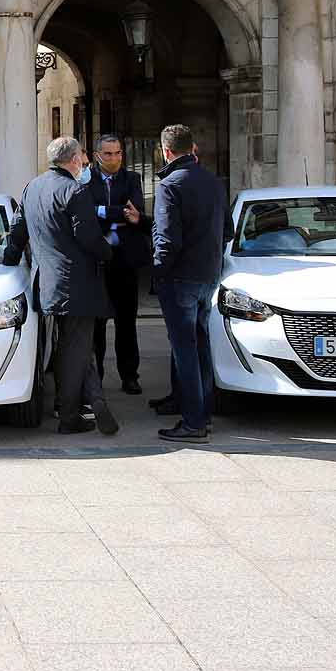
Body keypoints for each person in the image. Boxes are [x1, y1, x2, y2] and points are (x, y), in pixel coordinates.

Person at [2, 136, 119, 436]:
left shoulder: (33, 187)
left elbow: (18, 231)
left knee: (71, 345)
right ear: (75, 159)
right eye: (81, 156)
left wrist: (8, 260)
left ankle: (95, 398)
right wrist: (109, 256)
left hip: (47, 284)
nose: (83, 161)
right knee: (75, 347)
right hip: (76, 284)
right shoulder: (75, 191)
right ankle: (69, 416)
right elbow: (89, 238)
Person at [150, 124, 227, 443]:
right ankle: (199, 409)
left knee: (185, 348)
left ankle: (193, 421)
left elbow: (167, 238)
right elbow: (228, 231)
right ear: (191, 148)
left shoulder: (170, 184)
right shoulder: (213, 182)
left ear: (166, 151)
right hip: (208, 274)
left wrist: (157, 271)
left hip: (180, 277)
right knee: (200, 343)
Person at [87, 134, 149, 395]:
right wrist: (112, 214)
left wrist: (102, 212)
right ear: (97, 155)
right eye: (108, 154)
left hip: (125, 261)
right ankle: (96, 376)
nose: (114, 159)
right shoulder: (86, 180)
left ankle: (129, 376)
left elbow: (134, 213)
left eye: (118, 153)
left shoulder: (132, 179)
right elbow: (85, 213)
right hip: (97, 263)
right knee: (97, 324)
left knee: (126, 323)